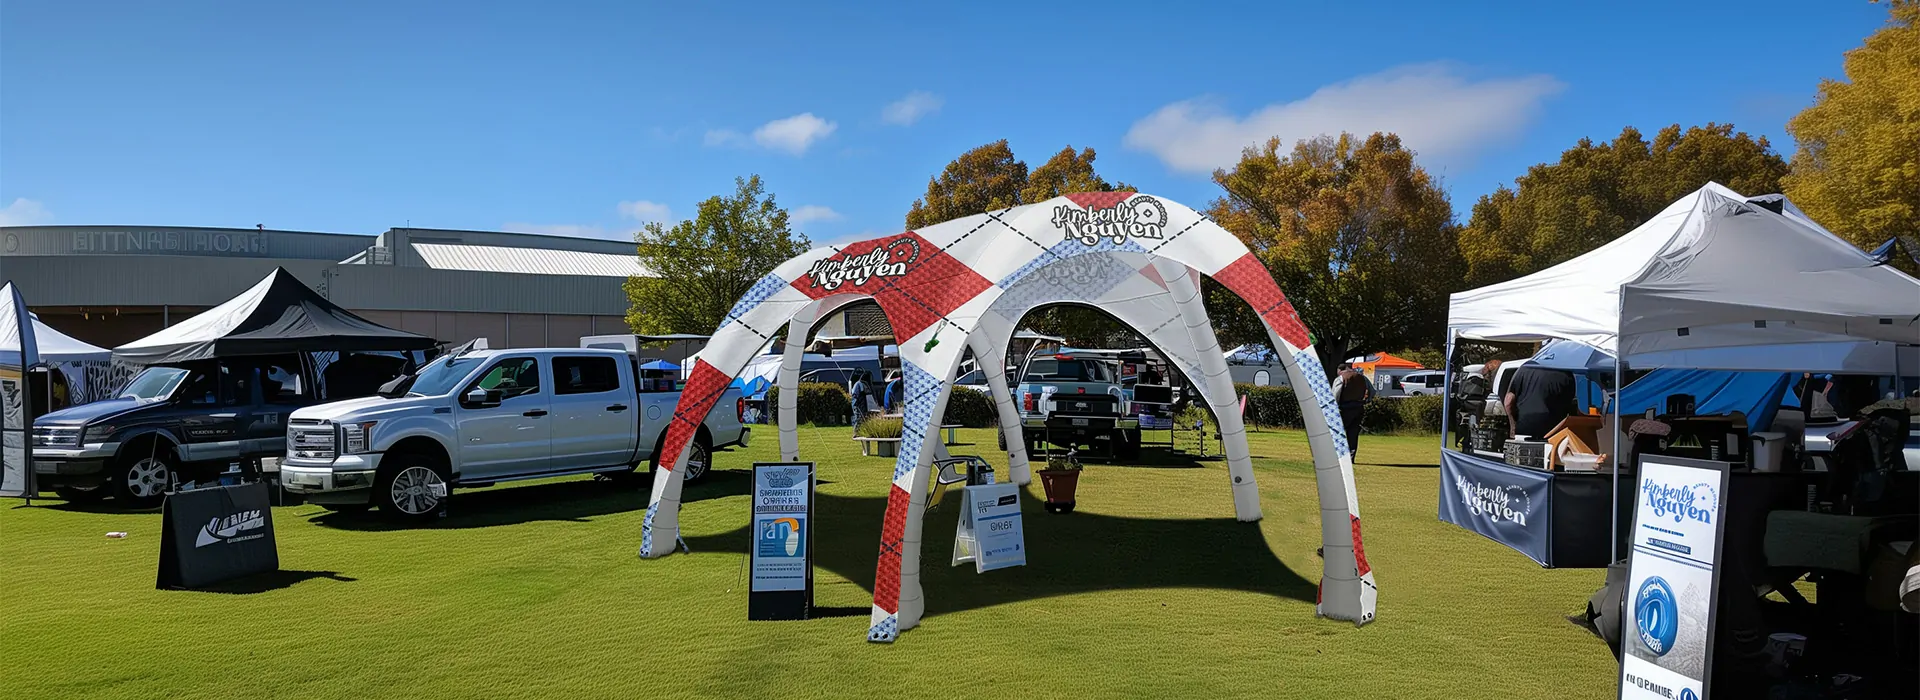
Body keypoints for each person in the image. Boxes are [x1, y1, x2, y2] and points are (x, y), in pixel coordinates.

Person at [1504, 364, 1577, 440]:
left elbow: (1508, 402)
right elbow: (1573, 405)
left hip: (1524, 425)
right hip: (1552, 428)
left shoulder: (1523, 368)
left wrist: (1513, 426)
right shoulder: (1565, 371)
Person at [1335, 364, 1372, 456]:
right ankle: (1351, 455)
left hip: (1345, 408)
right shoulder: (1362, 378)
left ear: (1340, 370)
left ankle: (1341, 456)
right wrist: (1367, 400)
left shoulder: (1341, 378)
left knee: (1339, 432)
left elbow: (1336, 393)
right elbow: (1372, 391)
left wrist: (1334, 406)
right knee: (1353, 433)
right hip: (1359, 407)